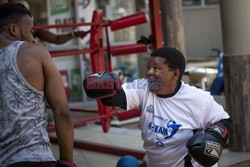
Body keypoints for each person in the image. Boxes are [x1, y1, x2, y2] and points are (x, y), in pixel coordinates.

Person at [83, 47, 232, 167]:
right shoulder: (143, 88)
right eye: (149, 67)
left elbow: (224, 121)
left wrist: (213, 137)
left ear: (175, 74)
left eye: (156, 68)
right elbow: (118, 96)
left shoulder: (197, 99)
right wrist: (108, 90)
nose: (149, 72)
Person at [0, 3, 76, 167]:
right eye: (30, 31)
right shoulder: (35, 52)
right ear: (13, 29)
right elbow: (62, 111)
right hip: (35, 157)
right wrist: (67, 163)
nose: (33, 39)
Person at [15, 0, 87, 44]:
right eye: (16, 9)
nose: (19, 13)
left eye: (22, 10)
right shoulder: (5, 19)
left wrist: (73, 34)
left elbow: (56, 39)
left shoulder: (34, 27)